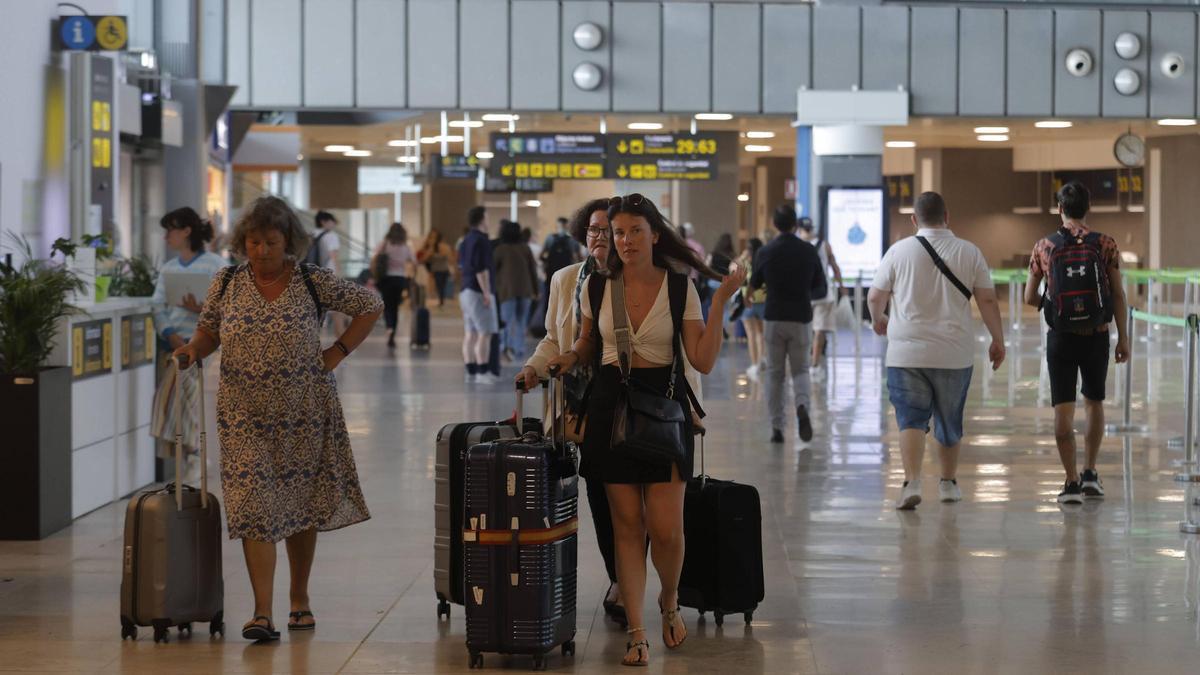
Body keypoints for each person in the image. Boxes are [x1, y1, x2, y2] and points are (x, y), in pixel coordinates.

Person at [546, 194, 743, 667]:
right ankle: (637, 632)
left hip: (663, 408)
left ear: (655, 234)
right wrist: (569, 358)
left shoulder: (680, 288)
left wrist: (719, 302)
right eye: (618, 232)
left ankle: (668, 599)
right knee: (627, 529)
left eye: (636, 231)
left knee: (667, 529)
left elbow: (702, 359)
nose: (626, 240)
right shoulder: (598, 285)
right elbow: (588, 342)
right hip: (610, 406)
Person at [173, 196, 383, 641]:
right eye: (253, 242)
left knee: (298, 504)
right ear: (241, 242)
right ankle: (261, 612)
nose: (261, 251)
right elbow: (209, 330)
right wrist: (194, 350)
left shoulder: (311, 279)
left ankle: (299, 600)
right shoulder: (227, 282)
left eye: (271, 242)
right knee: (253, 505)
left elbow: (369, 305)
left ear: (289, 242)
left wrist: (336, 353)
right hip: (242, 413)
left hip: (304, 412)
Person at [517, 197, 626, 625]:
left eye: (610, 231)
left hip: (633, 401)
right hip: (584, 407)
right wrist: (533, 366)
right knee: (599, 493)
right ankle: (619, 579)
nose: (601, 238)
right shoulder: (566, 279)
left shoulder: (639, 278)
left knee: (635, 500)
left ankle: (640, 580)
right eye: (594, 230)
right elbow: (553, 338)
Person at [867, 191, 1006, 510]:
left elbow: (876, 297)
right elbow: (986, 299)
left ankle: (912, 481)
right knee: (949, 418)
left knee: (910, 419)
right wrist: (998, 339)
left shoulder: (898, 251)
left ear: (914, 220)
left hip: (906, 353)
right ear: (948, 216)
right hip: (953, 354)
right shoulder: (969, 252)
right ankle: (947, 483)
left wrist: (879, 320)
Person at [1024, 182, 1129, 505]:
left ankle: (1069, 482)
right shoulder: (1105, 244)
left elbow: (1029, 297)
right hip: (1096, 336)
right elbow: (1117, 294)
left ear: (1059, 208)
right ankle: (1090, 474)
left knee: (1063, 410)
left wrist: (1053, 306)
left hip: (1061, 339)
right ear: (1088, 208)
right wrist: (1123, 337)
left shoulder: (1044, 246)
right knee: (1094, 402)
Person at [149, 207, 226, 473]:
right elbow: (157, 305)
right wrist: (169, 333)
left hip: (201, 344)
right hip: (174, 343)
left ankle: (192, 453)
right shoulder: (169, 268)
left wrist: (200, 310)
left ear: (186, 231)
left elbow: (228, 306)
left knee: (178, 394)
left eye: (170, 230)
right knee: (181, 398)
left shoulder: (216, 265)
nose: (166, 237)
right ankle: (189, 454)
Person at [750, 205, 827, 444]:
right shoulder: (808, 250)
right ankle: (802, 406)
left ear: (775, 224)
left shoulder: (766, 251)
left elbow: (754, 283)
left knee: (775, 373)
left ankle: (777, 428)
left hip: (774, 316)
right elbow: (820, 286)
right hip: (801, 317)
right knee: (801, 369)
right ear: (795, 225)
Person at [797, 217, 844, 375]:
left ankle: (802, 363)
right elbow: (835, 267)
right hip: (823, 294)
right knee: (819, 330)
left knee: (803, 330)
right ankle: (815, 365)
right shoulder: (824, 245)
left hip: (802, 294)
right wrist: (841, 285)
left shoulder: (796, 245)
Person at [459, 205, 499, 383]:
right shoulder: (482, 240)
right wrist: (486, 292)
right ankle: (483, 372)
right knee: (485, 332)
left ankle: (471, 371)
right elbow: (481, 269)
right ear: (482, 219)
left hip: (465, 290)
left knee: (470, 333)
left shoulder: (466, 239)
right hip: (477, 290)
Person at [493, 219, 539, 362]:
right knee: (521, 321)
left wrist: (494, 288)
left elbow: (493, 270)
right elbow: (533, 269)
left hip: (507, 291)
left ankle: (506, 346)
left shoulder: (500, 249)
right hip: (525, 289)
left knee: (507, 320)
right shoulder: (525, 248)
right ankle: (519, 348)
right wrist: (536, 289)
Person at [373, 222, 417, 348]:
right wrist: (412, 275)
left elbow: (375, 256)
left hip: (385, 279)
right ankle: (393, 331)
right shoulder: (406, 246)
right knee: (395, 307)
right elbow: (414, 262)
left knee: (387, 306)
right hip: (400, 279)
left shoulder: (385, 244)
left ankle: (389, 328)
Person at [310, 210, 348, 333]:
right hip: (329, 274)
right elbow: (333, 256)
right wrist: (339, 274)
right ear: (323, 222)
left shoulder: (311, 234)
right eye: (332, 222)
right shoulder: (331, 236)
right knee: (338, 310)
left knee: (314, 310)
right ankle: (342, 346)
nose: (333, 225)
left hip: (312, 274)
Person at [739, 237, 766, 379]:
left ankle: (754, 364)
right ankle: (761, 361)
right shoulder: (763, 262)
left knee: (750, 335)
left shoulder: (745, 263)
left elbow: (732, 269)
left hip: (747, 301)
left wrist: (742, 256)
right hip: (762, 301)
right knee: (760, 334)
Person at [418, 229, 455, 307]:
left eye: (434, 237)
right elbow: (424, 258)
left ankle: (441, 300)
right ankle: (441, 300)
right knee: (440, 286)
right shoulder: (433, 247)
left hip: (440, 270)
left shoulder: (438, 247)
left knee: (440, 286)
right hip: (440, 270)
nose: (432, 239)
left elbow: (450, 259)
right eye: (431, 237)